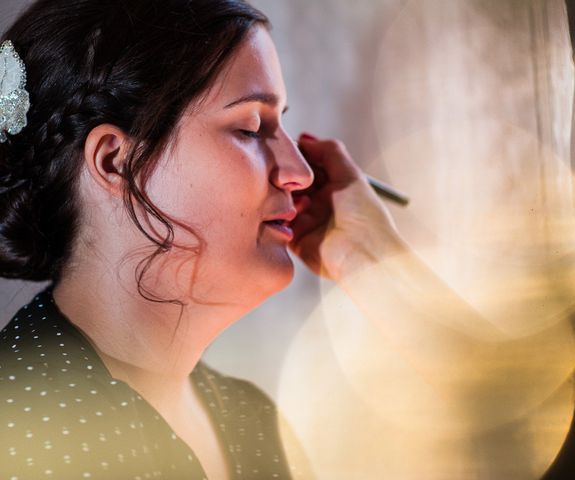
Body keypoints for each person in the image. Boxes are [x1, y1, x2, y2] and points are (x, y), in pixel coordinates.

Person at [0, 0, 405, 478]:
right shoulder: (28, 425)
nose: (298, 172)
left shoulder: (251, 418)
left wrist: (374, 264)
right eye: (251, 128)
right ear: (115, 162)